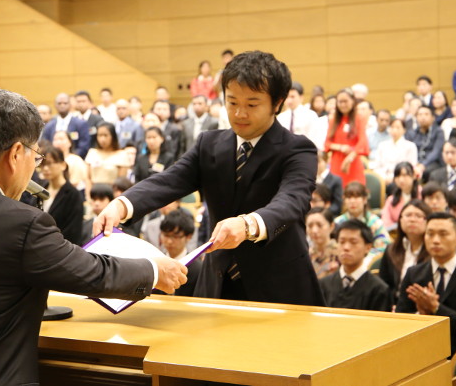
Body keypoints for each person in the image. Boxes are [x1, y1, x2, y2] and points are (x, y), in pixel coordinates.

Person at [0, 89, 187, 386]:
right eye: (36, 156)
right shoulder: (20, 223)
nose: (35, 168)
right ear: (16, 154)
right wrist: (154, 269)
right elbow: (93, 273)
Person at [93, 50, 325, 306]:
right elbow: (168, 181)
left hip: (279, 286)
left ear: (277, 103)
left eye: (252, 104)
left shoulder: (297, 149)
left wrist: (248, 225)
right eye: (232, 102)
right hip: (216, 283)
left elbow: (292, 201)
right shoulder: (209, 144)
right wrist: (121, 205)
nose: (239, 114)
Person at [396, 212, 456, 355]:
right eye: (430, 234)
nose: (436, 240)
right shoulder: (414, 274)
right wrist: (421, 314)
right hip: (421, 352)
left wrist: (436, 308)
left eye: (443, 234)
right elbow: (400, 321)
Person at [319, 220, 391, 311]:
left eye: (353, 242)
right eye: (342, 242)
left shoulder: (379, 289)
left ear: (368, 248)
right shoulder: (323, 285)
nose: (346, 247)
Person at [380, 200, 431, 305]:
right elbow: (384, 286)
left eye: (418, 216)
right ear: (400, 220)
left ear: (428, 221)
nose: (412, 219)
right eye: (408, 215)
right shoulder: (391, 250)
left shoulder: (433, 252)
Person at [38, 145, 84, 245]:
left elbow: (73, 232)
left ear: (63, 165)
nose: (45, 168)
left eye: (50, 163)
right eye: (43, 164)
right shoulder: (39, 190)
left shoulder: (73, 195)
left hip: (61, 249)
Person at [325, 88, 369, 187]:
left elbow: (363, 141)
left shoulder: (359, 118)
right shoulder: (333, 120)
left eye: (346, 101)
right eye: (340, 102)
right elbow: (327, 143)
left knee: (356, 192)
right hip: (337, 162)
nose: (343, 104)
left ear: (353, 101)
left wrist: (350, 158)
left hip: (353, 161)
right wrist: (341, 147)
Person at [334, 182, 391, 252]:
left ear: (364, 199)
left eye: (356, 197)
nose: (352, 201)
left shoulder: (375, 223)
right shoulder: (338, 222)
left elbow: (383, 248)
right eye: (348, 197)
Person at [158, 210, 202, 296]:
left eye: (175, 236)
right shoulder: (157, 263)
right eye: (166, 235)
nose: (169, 241)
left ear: (188, 237)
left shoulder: (198, 269)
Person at [41, 93, 91, 158]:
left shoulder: (81, 124)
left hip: (74, 161)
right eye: (59, 103)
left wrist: (70, 157)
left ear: (70, 105)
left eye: (65, 103)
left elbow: (84, 146)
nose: (62, 105)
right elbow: (44, 145)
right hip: (53, 160)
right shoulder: (49, 126)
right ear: (55, 105)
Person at [406, 105, 445, 181]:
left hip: (432, 162)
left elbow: (436, 152)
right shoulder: (412, 133)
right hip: (415, 162)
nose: (423, 117)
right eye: (420, 115)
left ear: (433, 118)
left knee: (427, 172)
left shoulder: (439, 132)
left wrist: (423, 165)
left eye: (426, 114)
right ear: (416, 118)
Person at [373, 118, 418, 184]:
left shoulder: (410, 146)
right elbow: (377, 166)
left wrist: (394, 178)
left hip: (401, 179)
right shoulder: (382, 145)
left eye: (398, 128)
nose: (394, 130)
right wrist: (383, 178)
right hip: (382, 178)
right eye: (392, 127)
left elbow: (410, 167)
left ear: (404, 130)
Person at [382, 162, 420, 231]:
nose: (401, 179)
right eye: (398, 176)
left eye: (405, 175)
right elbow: (385, 220)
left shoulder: (422, 194)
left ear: (414, 175)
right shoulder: (391, 199)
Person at [52, 130, 90, 195]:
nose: (58, 142)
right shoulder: (50, 160)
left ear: (69, 142)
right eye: (55, 139)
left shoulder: (76, 160)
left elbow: (75, 182)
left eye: (61, 139)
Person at [306, 207, 338, 279]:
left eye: (319, 225)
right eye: (310, 226)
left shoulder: (340, 253)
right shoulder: (305, 255)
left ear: (331, 226)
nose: (314, 230)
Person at [315, 151, 343, 216]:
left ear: (326, 161)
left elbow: (337, 204)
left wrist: (323, 213)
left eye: (319, 162)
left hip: (329, 215)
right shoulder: (309, 179)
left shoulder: (336, 180)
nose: (316, 165)